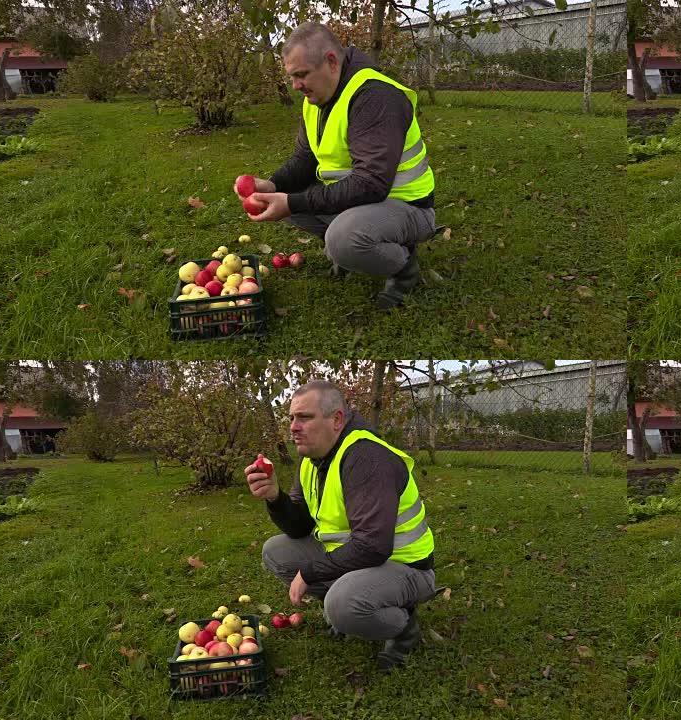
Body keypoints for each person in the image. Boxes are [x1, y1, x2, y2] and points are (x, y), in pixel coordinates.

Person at [234, 22, 436, 309]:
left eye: (301, 75)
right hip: (364, 202)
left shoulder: (375, 97)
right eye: (292, 77)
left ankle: (403, 267)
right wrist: (274, 185)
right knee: (288, 199)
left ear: (331, 61)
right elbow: (305, 159)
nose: (295, 86)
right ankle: (349, 248)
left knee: (343, 238)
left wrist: (292, 201)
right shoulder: (317, 97)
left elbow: (371, 184)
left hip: (408, 205)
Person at [244, 380, 436, 672]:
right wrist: (274, 497)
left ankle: (404, 627)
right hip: (361, 559)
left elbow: (373, 546)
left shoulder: (367, 458)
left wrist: (310, 572)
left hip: (406, 567)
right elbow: (298, 527)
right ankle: (349, 606)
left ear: (336, 420)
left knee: (342, 604)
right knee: (276, 551)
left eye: (305, 417)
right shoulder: (312, 459)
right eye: (292, 418)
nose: (294, 427)